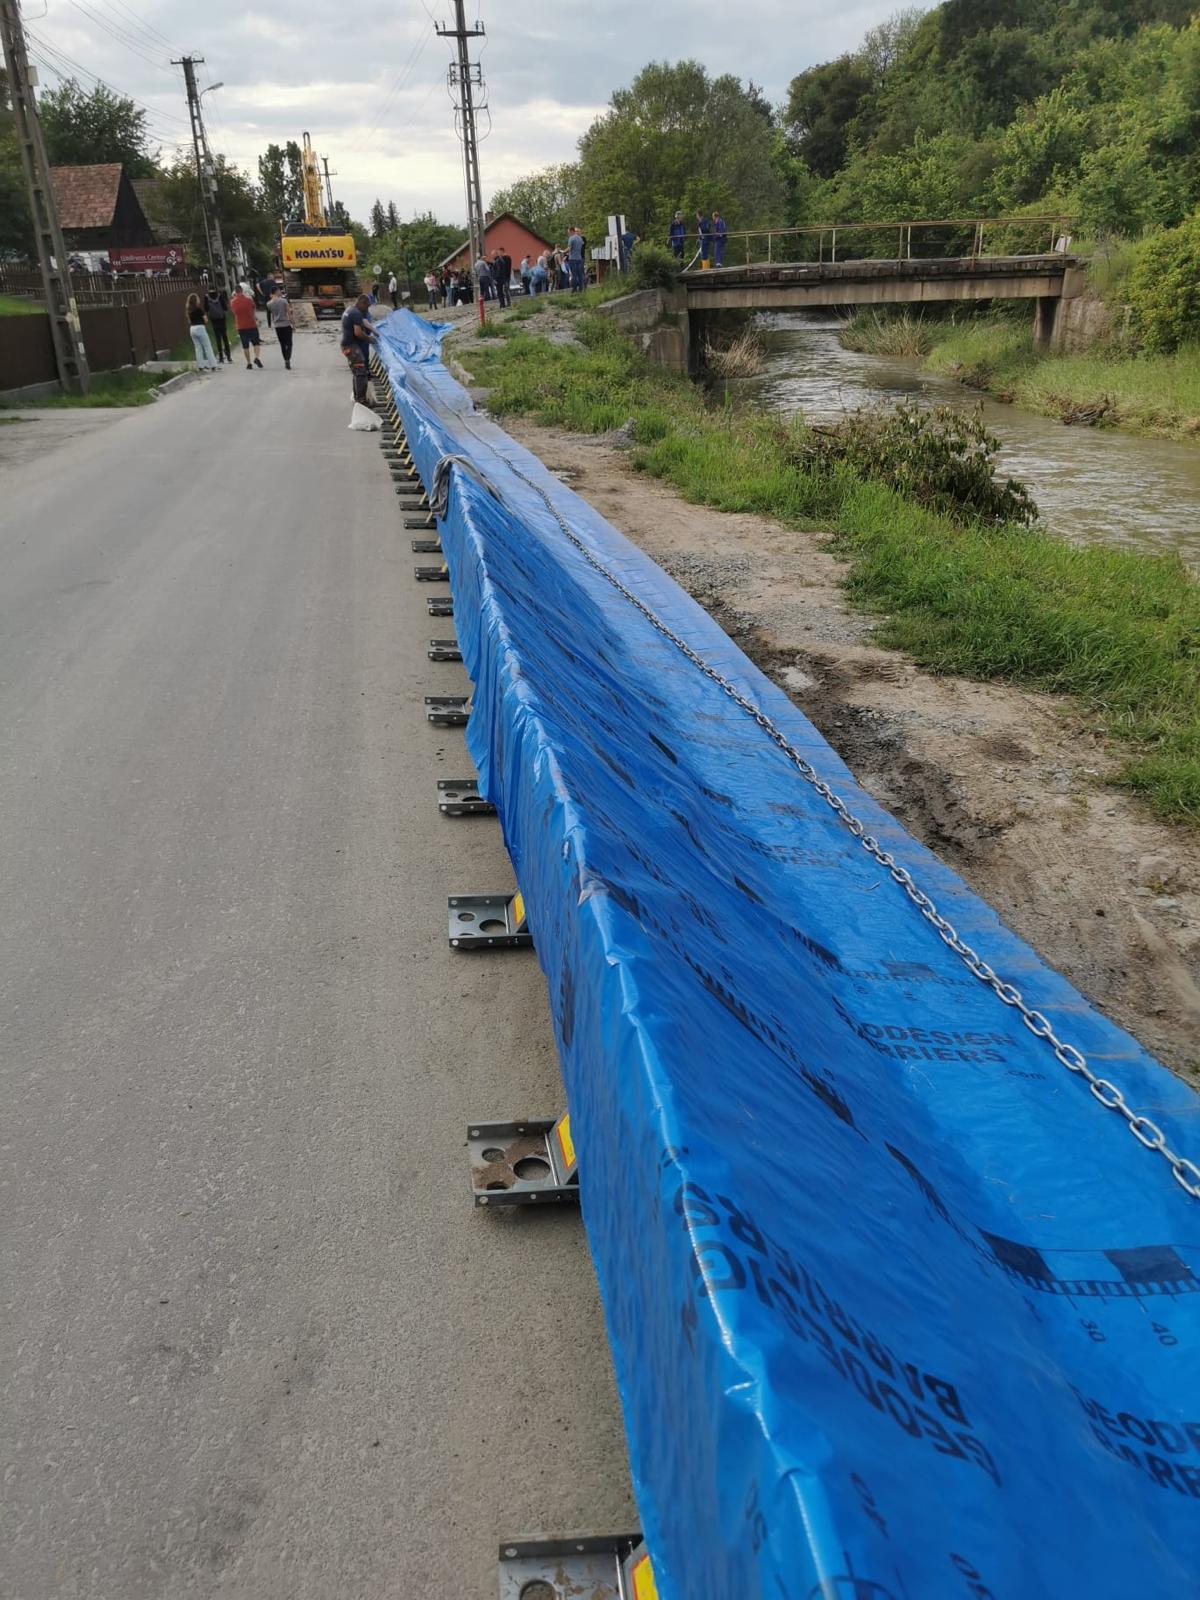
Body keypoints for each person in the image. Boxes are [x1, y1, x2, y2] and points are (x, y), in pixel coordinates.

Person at [340, 292, 376, 405]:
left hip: (347, 345)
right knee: (361, 372)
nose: (367, 309)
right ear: (362, 303)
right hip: (351, 347)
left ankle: (357, 397)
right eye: (367, 306)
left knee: (357, 371)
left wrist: (375, 331)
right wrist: (369, 339)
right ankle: (361, 399)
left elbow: (364, 322)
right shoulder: (356, 313)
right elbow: (358, 333)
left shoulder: (350, 310)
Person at [230, 282, 263, 369]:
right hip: (251, 324)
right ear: (242, 291)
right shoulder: (249, 300)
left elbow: (234, 312)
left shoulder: (232, 302)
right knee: (256, 343)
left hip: (241, 326)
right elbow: (253, 309)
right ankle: (256, 357)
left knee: (245, 346)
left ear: (235, 292)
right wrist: (254, 318)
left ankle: (249, 363)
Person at [185, 292, 219, 370]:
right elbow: (206, 320)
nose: (199, 300)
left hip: (192, 329)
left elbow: (190, 321)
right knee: (207, 346)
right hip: (200, 328)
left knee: (198, 348)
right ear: (195, 300)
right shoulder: (199, 309)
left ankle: (200, 366)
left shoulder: (189, 310)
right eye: (197, 298)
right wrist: (205, 320)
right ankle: (213, 365)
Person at [268, 283, 294, 369]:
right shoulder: (283, 301)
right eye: (279, 291)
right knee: (289, 343)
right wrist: (293, 324)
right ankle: (288, 358)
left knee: (282, 344)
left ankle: (285, 359)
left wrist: (273, 323)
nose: (280, 292)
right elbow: (289, 313)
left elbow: (272, 315)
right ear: (276, 291)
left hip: (277, 326)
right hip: (286, 324)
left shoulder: (269, 303)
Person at [204, 285, 231, 362]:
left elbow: (206, 308)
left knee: (218, 338)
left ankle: (221, 357)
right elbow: (225, 308)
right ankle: (229, 357)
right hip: (222, 319)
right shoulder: (219, 295)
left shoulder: (206, 297)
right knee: (225, 337)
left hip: (214, 320)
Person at [566, 226, 585, 292]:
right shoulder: (580, 238)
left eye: (568, 232)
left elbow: (569, 248)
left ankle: (574, 289)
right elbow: (582, 245)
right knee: (580, 274)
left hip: (572, 258)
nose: (568, 234)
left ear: (572, 231)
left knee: (574, 274)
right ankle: (581, 288)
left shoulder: (571, 238)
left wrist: (564, 251)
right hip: (579, 258)